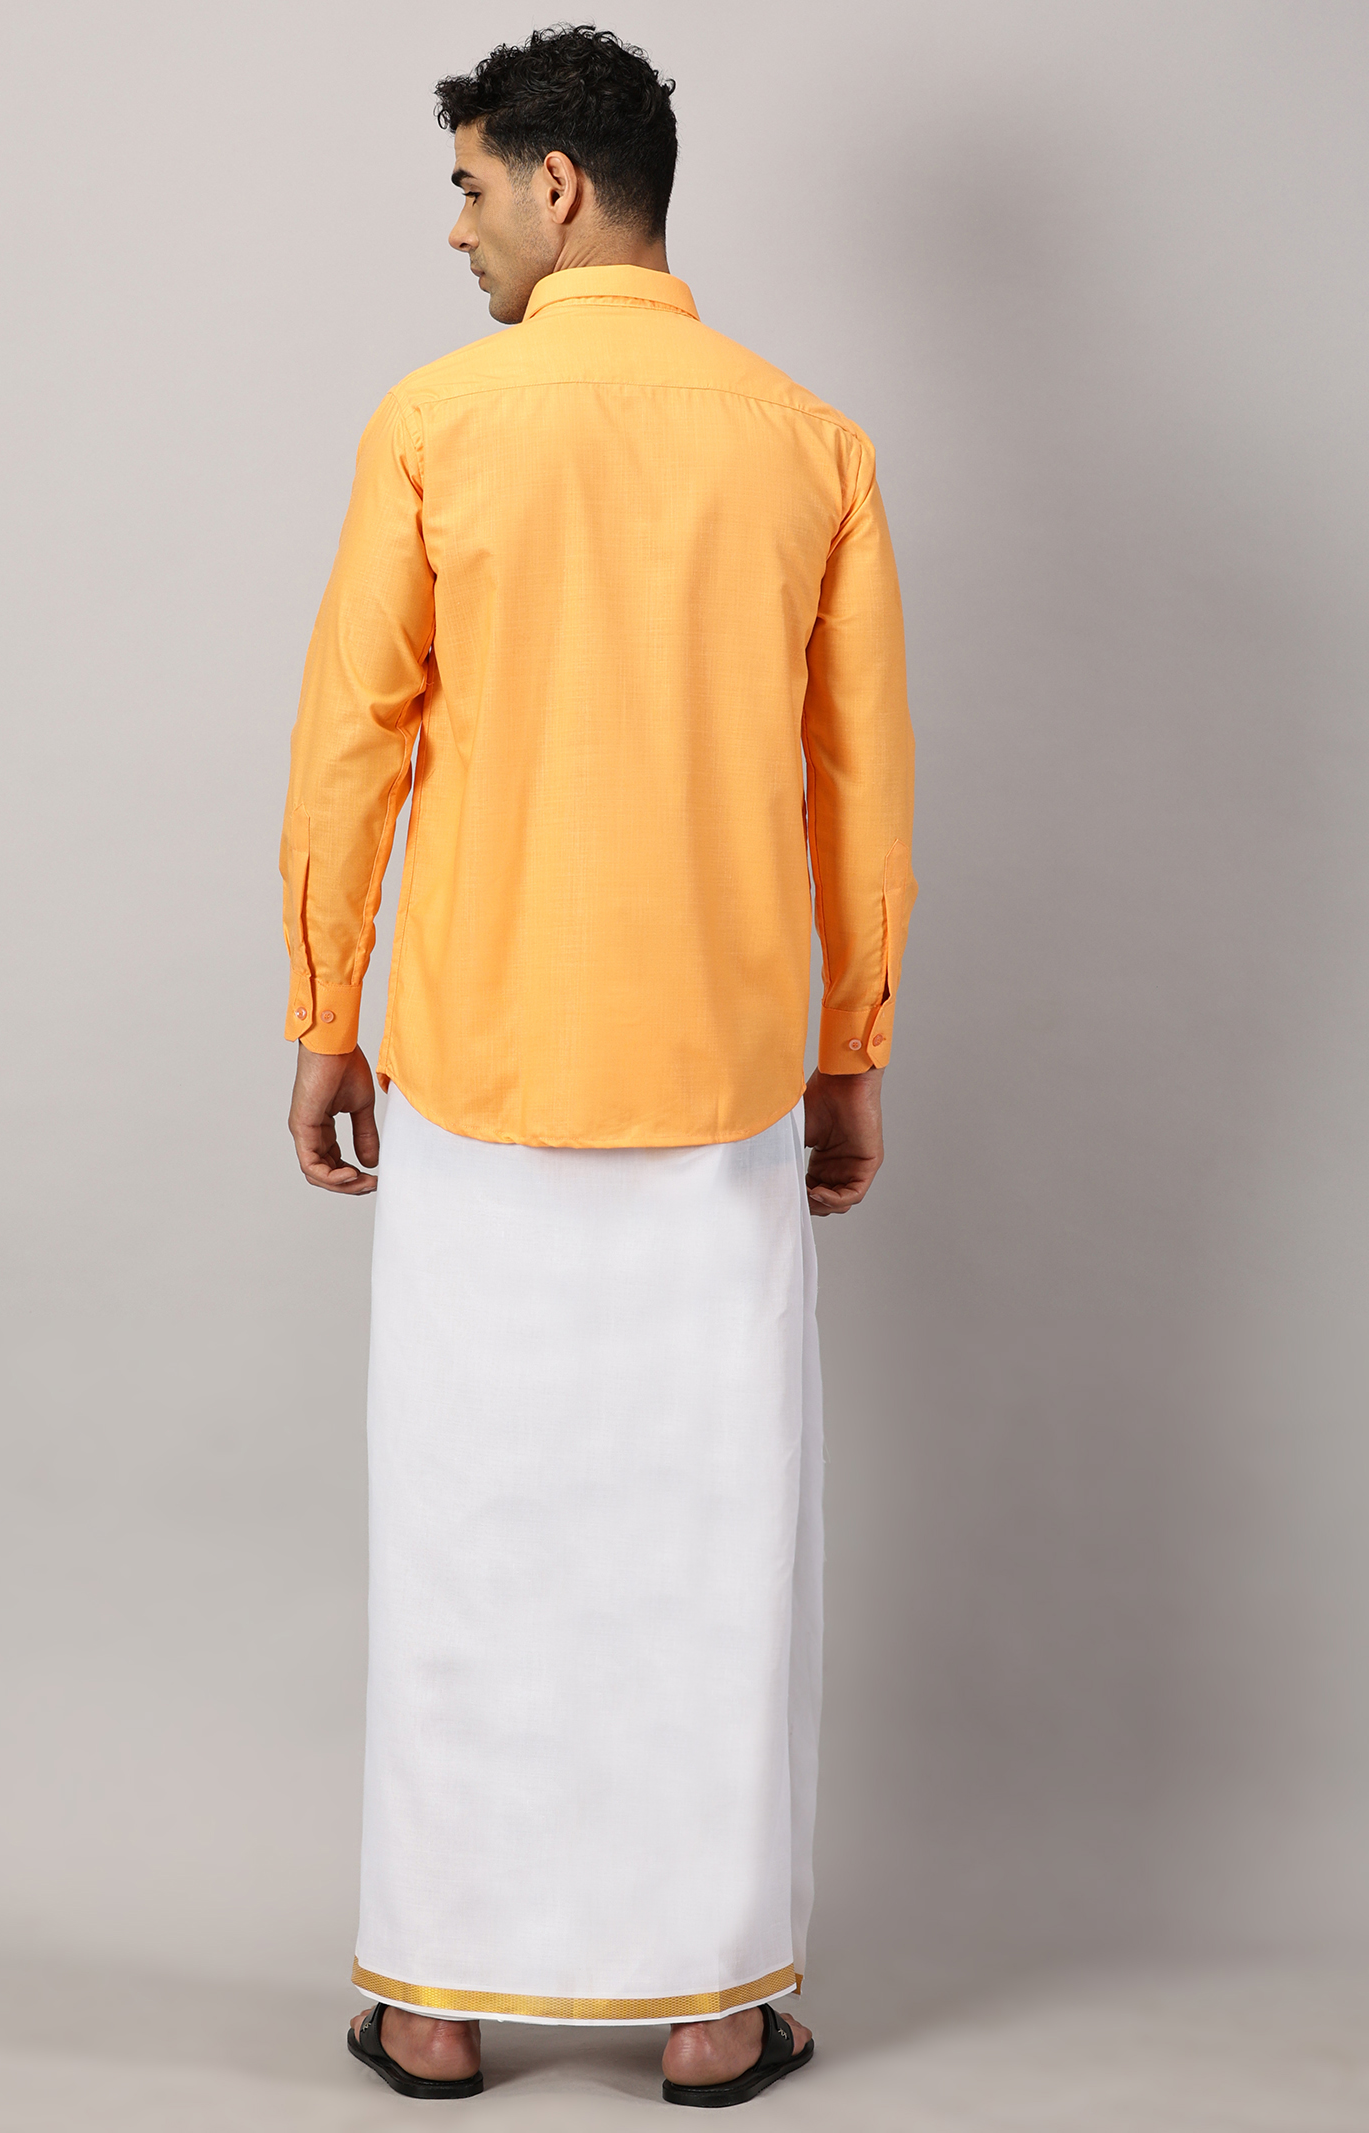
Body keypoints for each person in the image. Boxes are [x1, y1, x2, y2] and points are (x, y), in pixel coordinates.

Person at [279, 24, 915, 2109]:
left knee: (468, 1522)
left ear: (558, 185)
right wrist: (847, 1049)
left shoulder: (435, 421)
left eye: (471, 187)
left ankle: (436, 1998)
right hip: (719, 1084)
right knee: (709, 1535)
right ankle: (713, 2005)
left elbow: (353, 745)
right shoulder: (808, 442)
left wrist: (323, 1009)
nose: (456, 229)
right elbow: (858, 792)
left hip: (476, 1068)